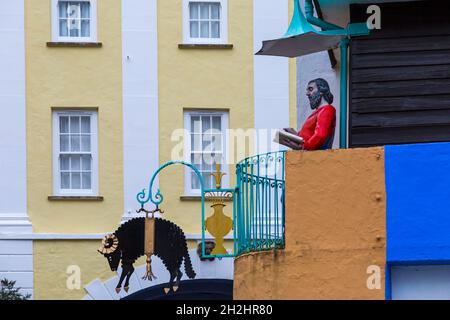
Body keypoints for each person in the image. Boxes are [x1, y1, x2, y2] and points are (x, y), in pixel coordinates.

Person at [282, 78, 336, 151]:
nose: (307, 93)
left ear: (321, 91)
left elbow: (320, 136)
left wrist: (303, 146)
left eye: (310, 89)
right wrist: (295, 135)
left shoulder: (327, 109)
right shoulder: (318, 112)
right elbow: (308, 137)